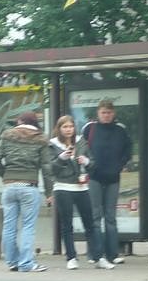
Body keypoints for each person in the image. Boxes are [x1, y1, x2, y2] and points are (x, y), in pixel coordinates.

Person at [49, 115, 116, 270]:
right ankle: (71, 257)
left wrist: (86, 162)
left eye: (71, 126)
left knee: (90, 223)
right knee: (67, 224)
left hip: (81, 187)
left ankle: (98, 257)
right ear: (59, 129)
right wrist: (61, 158)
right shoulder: (52, 145)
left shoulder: (81, 141)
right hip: (63, 187)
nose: (68, 130)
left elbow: (92, 163)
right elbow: (50, 168)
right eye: (65, 127)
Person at [0, 111, 54, 272]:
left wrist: (5, 175)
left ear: (20, 121)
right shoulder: (41, 139)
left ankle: (12, 261)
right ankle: (26, 263)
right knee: (28, 226)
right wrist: (49, 193)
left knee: (9, 226)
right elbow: (47, 168)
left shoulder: (7, 135)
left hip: (9, 187)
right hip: (28, 186)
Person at [82, 100, 132, 265]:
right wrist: (87, 166)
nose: (106, 115)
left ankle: (113, 254)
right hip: (94, 176)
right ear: (98, 113)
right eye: (103, 112)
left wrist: (120, 165)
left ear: (113, 113)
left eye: (109, 112)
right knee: (95, 216)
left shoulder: (120, 130)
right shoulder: (90, 129)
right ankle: (94, 254)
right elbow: (81, 149)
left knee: (110, 217)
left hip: (113, 177)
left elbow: (128, 150)